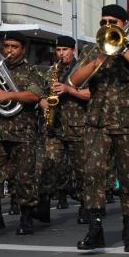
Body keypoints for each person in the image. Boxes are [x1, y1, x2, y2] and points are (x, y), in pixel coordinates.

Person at [69, 4, 129, 253]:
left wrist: (122, 48)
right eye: (103, 22)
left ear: (123, 24)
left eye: (112, 22)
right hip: (97, 123)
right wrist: (99, 59)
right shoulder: (92, 50)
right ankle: (95, 229)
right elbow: (74, 81)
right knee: (93, 175)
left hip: (128, 123)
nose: (106, 26)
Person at [0, 33, 45, 235]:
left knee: (23, 177)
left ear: (23, 50)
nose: (9, 51)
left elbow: (34, 95)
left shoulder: (32, 70)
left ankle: (26, 218)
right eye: (6, 46)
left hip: (23, 131)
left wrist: (9, 95)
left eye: (14, 47)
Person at [40, 36, 90, 219]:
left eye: (65, 50)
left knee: (82, 170)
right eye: (58, 50)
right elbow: (41, 94)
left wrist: (70, 90)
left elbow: (92, 94)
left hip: (78, 127)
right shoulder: (51, 71)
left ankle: (86, 206)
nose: (61, 54)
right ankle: (43, 206)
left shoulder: (83, 69)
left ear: (73, 50)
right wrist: (44, 103)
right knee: (48, 164)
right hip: (55, 127)